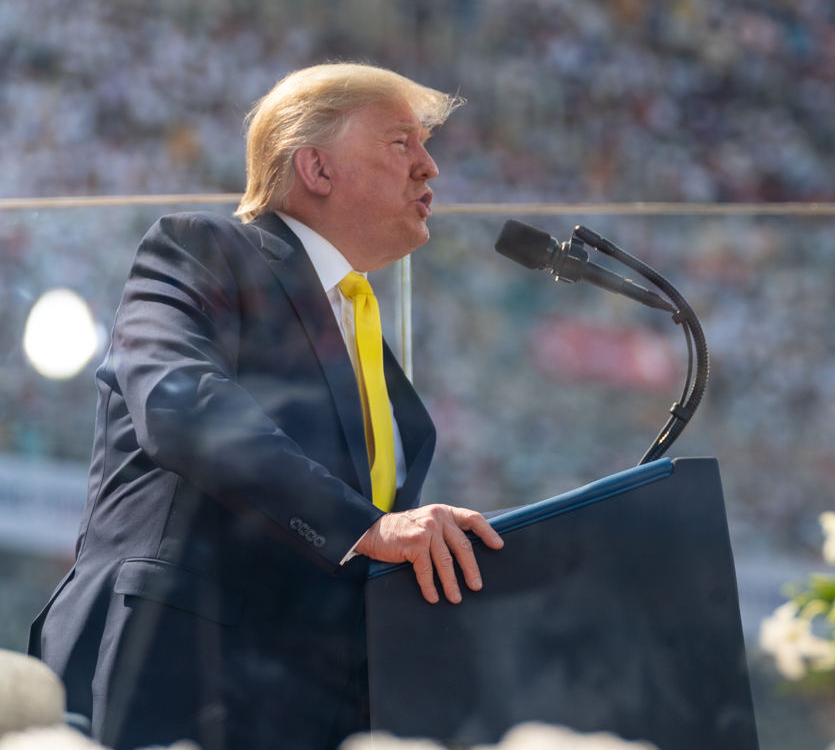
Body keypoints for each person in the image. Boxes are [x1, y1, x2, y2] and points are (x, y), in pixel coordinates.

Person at [28, 63, 504, 750]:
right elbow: (179, 403)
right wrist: (366, 526)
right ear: (316, 167)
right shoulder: (199, 250)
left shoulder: (364, 334)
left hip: (312, 706)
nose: (429, 167)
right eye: (402, 142)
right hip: (175, 677)